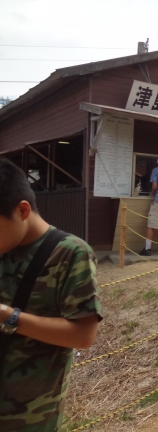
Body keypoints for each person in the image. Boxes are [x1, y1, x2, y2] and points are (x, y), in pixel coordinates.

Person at [0, 158, 102, 431]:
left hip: (29, 416)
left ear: (22, 210)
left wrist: (9, 317)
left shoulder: (71, 253)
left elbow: (83, 335)